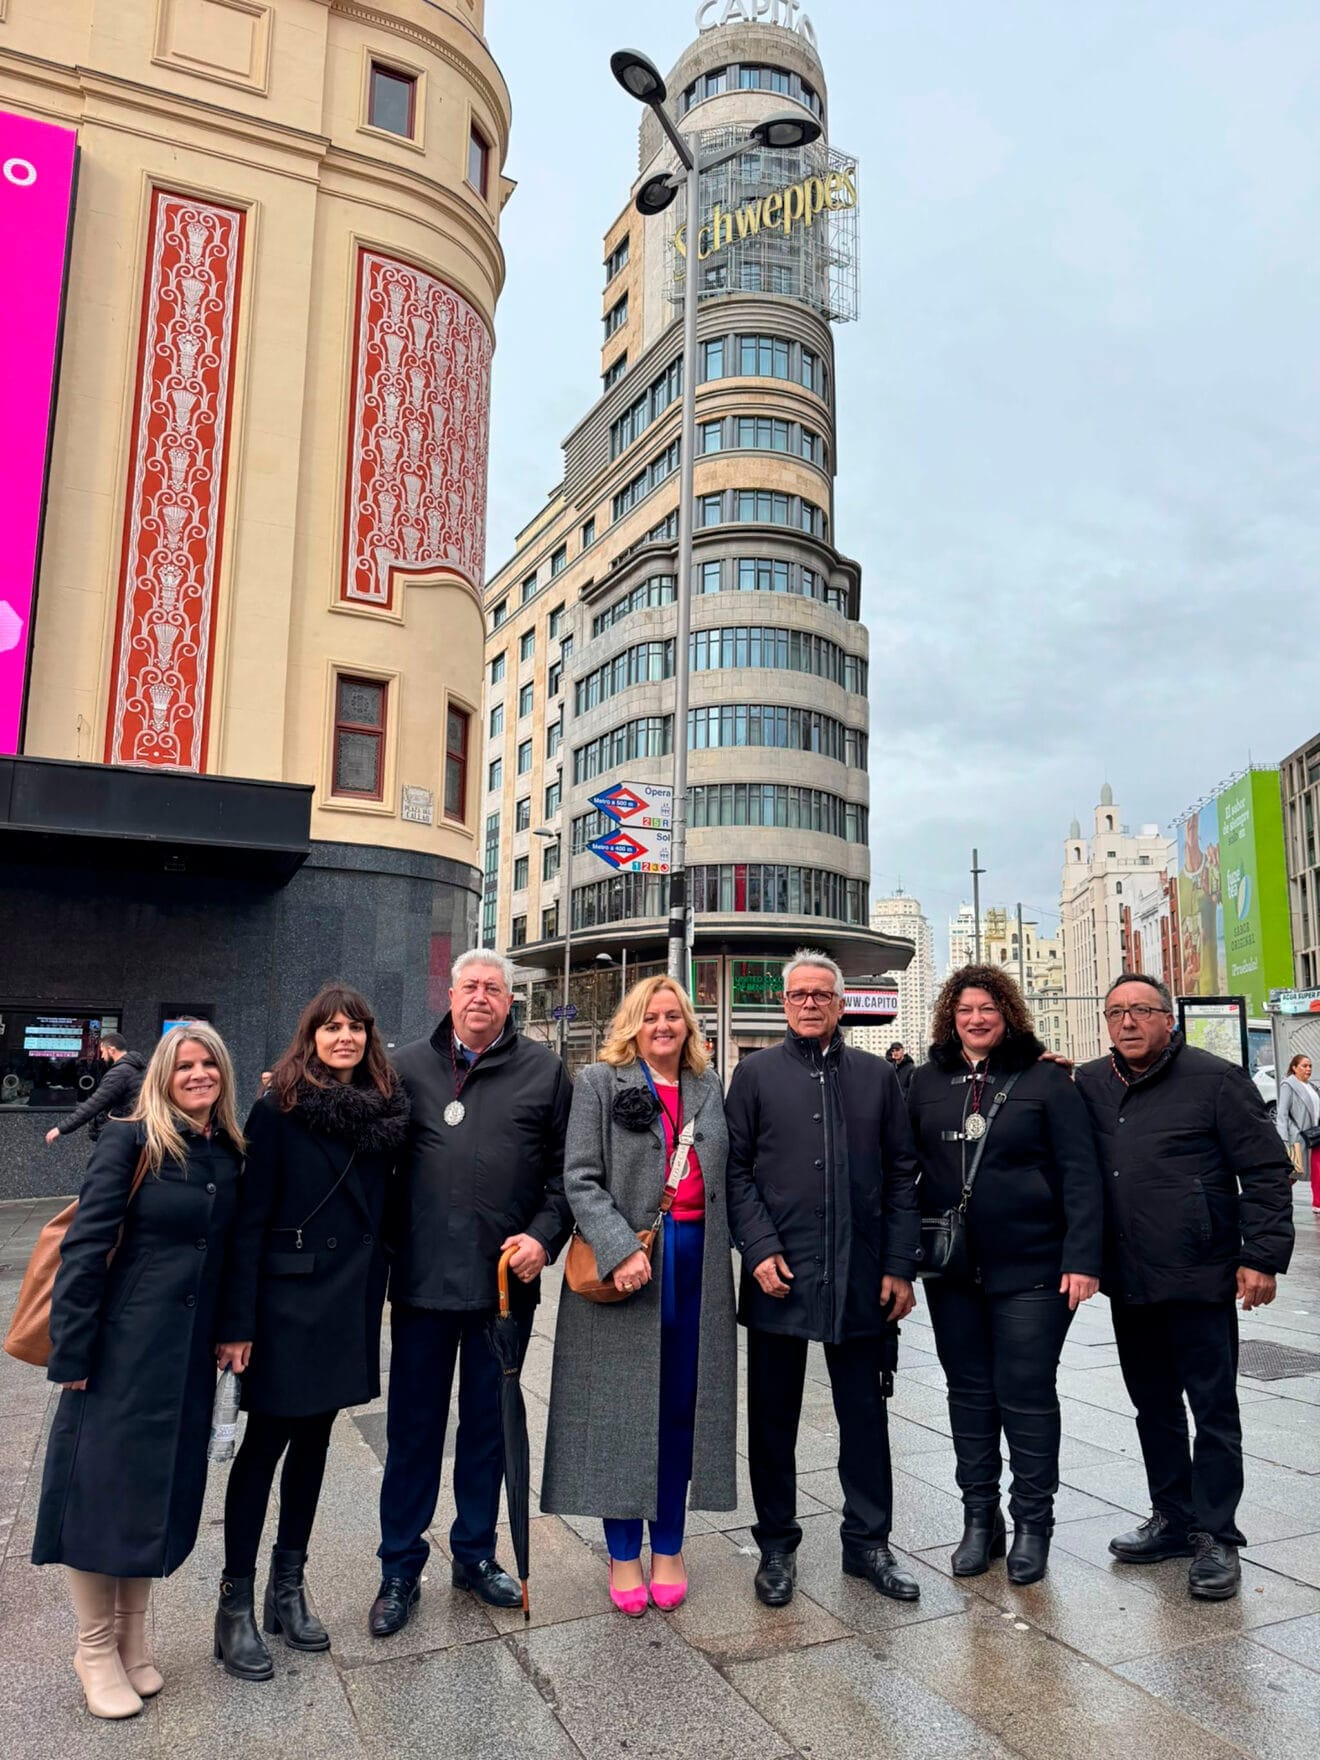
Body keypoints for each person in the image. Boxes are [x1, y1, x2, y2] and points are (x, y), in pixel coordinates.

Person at [32, 1023, 246, 1719]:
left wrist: (232, 1330)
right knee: (102, 1493)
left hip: (183, 1355)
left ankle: (131, 1637)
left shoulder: (226, 1152)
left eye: (207, 1063)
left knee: (153, 1490)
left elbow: (233, 1253)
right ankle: (94, 1645)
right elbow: (86, 1248)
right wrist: (73, 1351)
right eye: (183, 1065)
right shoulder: (131, 1139)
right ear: (161, 1074)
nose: (196, 1074)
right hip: (119, 1349)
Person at [370, 950, 572, 1635]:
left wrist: (544, 1237)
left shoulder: (544, 1071)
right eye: (470, 986)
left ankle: (475, 1554)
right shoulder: (405, 1067)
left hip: (503, 1290)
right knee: (413, 1432)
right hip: (423, 1285)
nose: (481, 996)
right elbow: (375, 1163)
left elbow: (563, 1177)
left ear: (510, 1001)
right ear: (449, 994)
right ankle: (399, 1566)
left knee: (487, 1433)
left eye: (493, 988)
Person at [1075, 973, 1295, 1601]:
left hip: (1201, 1273)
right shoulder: (1090, 1082)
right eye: (1115, 1012)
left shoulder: (1215, 1078)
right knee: (1153, 1407)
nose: (1127, 1022)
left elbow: (1265, 1171)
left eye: (1141, 1010)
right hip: (1130, 1277)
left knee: (1214, 1410)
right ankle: (1172, 1518)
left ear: (1167, 1019)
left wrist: (1262, 1257)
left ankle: (1217, 1535)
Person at [212, 984, 410, 1680]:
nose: (344, 1038)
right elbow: (247, 1217)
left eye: (355, 1027)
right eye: (330, 1028)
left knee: (315, 1447)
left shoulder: (386, 1113)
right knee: (264, 1448)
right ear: (311, 1038)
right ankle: (234, 1602)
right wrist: (236, 1323)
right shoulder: (279, 1107)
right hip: (285, 1304)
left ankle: (286, 1588)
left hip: (346, 1301)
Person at [725, 949, 922, 1609]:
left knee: (864, 1415)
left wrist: (899, 1265)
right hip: (778, 1272)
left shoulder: (876, 1077)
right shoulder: (753, 1075)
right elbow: (735, 1171)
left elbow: (901, 1176)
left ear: (841, 1005)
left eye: (822, 995)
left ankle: (868, 1541)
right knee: (772, 1418)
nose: (810, 1003)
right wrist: (756, 1247)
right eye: (799, 994)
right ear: (784, 1005)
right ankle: (777, 1544)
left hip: (862, 1276)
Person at [542, 976, 737, 1615]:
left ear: (688, 1026)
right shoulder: (601, 1083)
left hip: (696, 1266)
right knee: (621, 1410)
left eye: (673, 1017)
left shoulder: (709, 1087)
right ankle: (625, 1554)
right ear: (633, 1023)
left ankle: (671, 1547)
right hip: (628, 1261)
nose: (662, 1026)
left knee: (682, 1406)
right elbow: (580, 1176)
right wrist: (620, 1247)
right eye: (651, 1016)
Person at [907, 965, 1103, 1584]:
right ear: (950, 1016)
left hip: (1035, 1268)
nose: (976, 1018)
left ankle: (1033, 1526)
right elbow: (898, 1169)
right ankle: (979, 1519)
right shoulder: (924, 1082)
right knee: (968, 1393)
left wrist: (1082, 1258)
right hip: (952, 1269)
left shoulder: (1046, 1079)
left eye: (988, 1007)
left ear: (1007, 1012)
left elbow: (1081, 1174)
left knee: (1026, 1393)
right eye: (965, 1009)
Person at [44, 1033, 147, 1147]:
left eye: (102, 1051)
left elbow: (94, 1104)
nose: (102, 1057)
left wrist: (61, 1128)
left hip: (119, 1135)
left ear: (111, 1050)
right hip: (135, 1132)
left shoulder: (120, 1073)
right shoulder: (139, 1069)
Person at [1277, 1052, 1320, 1212]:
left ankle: (1318, 1203)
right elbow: (1282, 1114)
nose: (1308, 1069)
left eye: (1310, 1066)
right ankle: (1278, 1200)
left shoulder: (1311, 1086)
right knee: (1293, 1173)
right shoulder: (1288, 1085)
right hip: (1298, 1137)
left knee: (1317, 1170)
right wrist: (1284, 1139)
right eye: (1304, 1066)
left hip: (1314, 1135)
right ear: (1294, 1068)